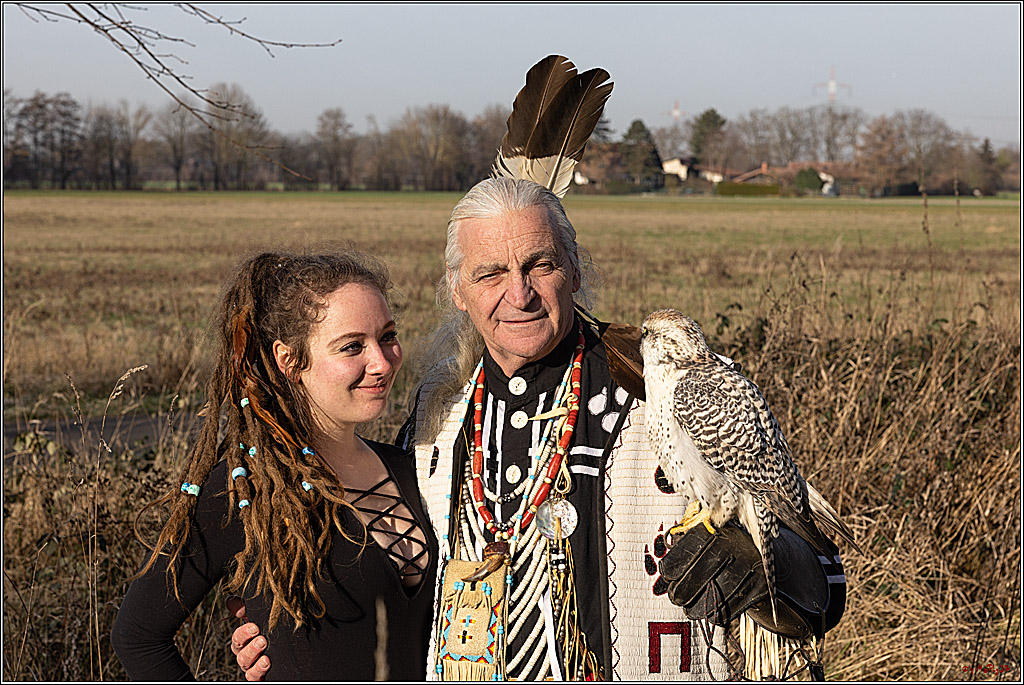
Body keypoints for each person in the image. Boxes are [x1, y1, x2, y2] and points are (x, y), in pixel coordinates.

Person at [233, 179, 848, 681]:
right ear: (458, 292)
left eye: (540, 265)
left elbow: (824, 589)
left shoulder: (662, 390)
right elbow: (388, 581)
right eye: (490, 274)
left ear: (574, 272)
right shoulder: (435, 418)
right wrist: (282, 635)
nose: (518, 294)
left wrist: (765, 575)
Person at [111, 251, 436, 681]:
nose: (381, 362)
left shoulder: (415, 468)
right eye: (352, 346)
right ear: (290, 360)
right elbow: (138, 635)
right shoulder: (248, 490)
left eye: (388, 336)